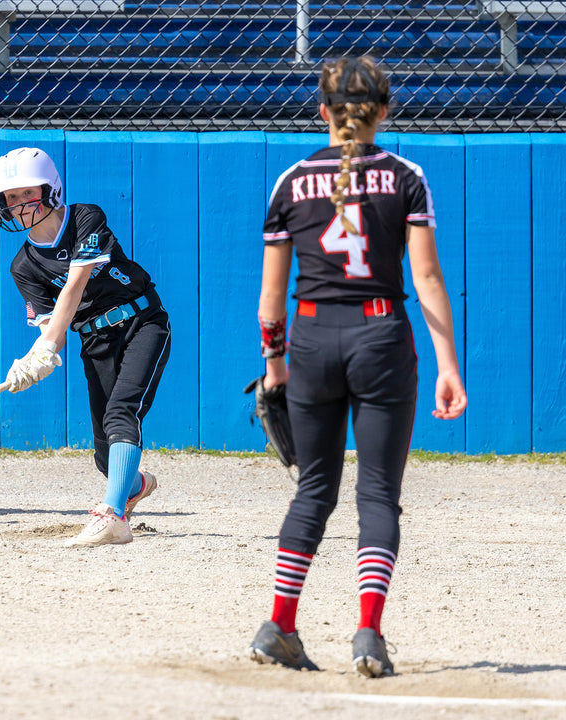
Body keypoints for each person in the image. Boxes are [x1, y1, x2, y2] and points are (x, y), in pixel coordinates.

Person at [246, 56, 467, 677]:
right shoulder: (405, 177)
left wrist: (274, 363)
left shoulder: (291, 180)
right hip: (380, 337)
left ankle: (280, 624)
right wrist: (449, 366)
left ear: (322, 111)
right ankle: (368, 633)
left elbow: (271, 295)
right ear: (384, 112)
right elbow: (424, 277)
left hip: (312, 336)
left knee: (314, 488)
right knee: (377, 493)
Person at [0, 147, 171, 548]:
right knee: (107, 456)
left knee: (123, 412)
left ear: (51, 188)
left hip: (142, 322)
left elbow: (75, 283)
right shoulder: (24, 266)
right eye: (10, 198)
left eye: (27, 193)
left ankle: (114, 516)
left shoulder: (85, 217)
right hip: (96, 340)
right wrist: (35, 359)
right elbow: (50, 323)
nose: (19, 205)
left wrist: (48, 347)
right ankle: (134, 485)